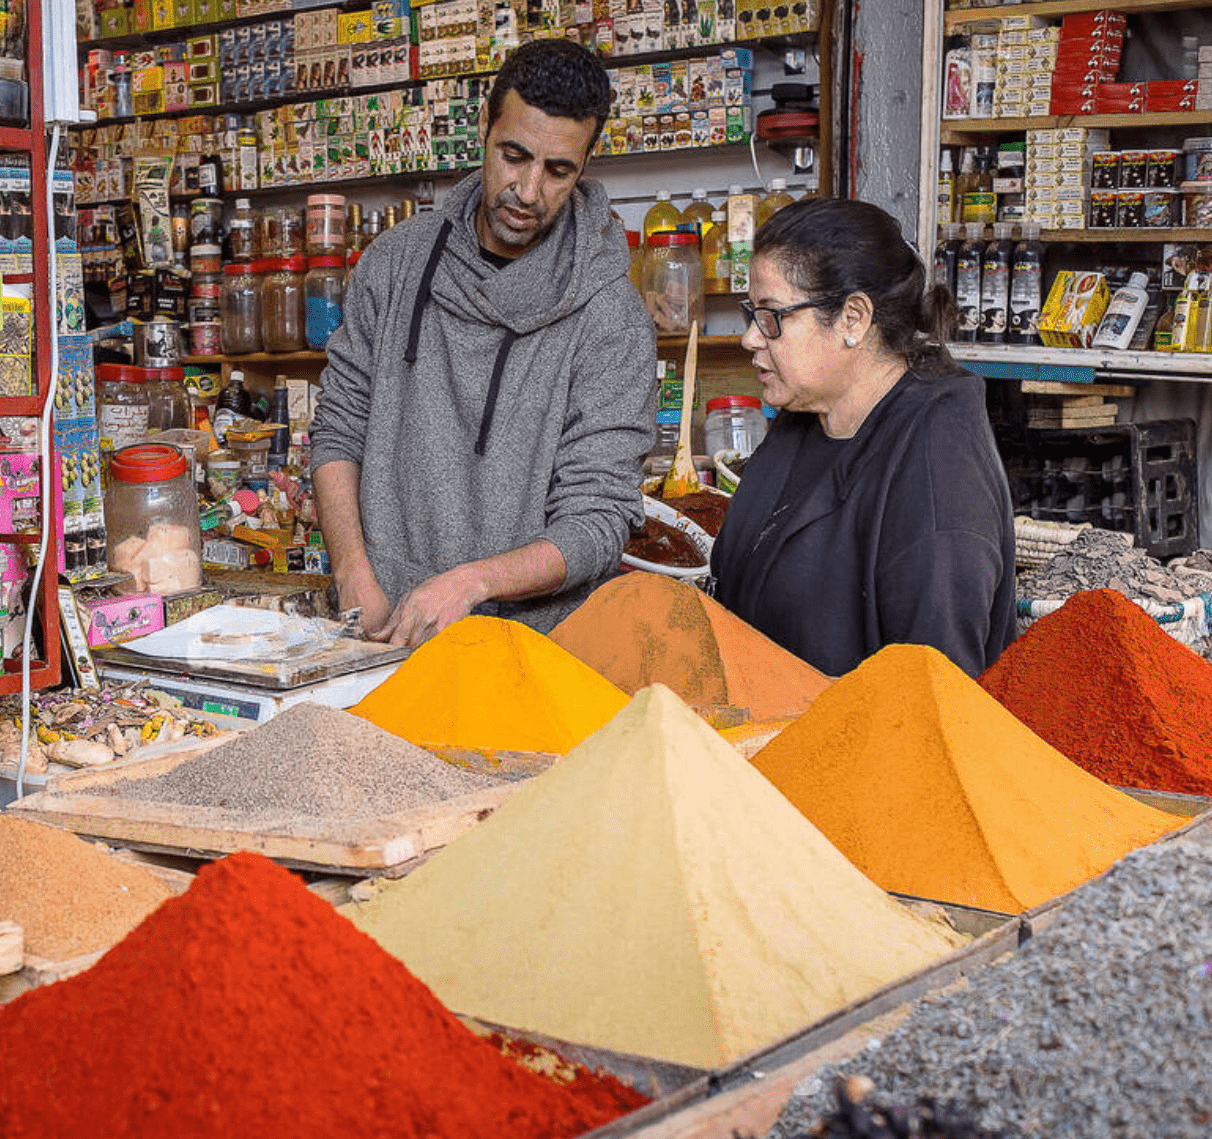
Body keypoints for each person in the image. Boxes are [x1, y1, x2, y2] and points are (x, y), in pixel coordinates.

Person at [311, 38, 656, 645]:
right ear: (483, 128)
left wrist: (473, 583)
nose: (528, 192)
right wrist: (352, 574)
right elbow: (340, 426)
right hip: (378, 627)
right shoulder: (394, 264)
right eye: (514, 156)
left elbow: (600, 518)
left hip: (530, 652)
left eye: (557, 171)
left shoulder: (611, 315)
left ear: (586, 163)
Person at [709, 197, 1016, 678]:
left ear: (853, 318)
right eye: (752, 314)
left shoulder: (939, 465)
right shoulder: (803, 420)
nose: (750, 338)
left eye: (771, 317)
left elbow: (934, 690)